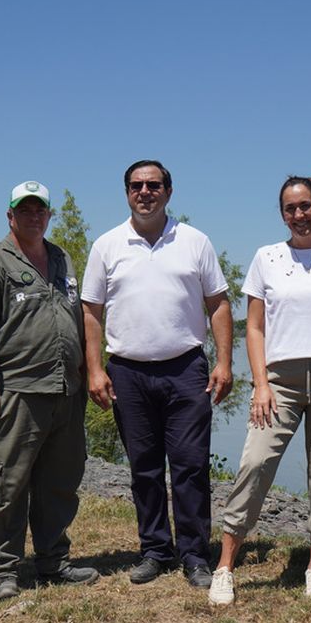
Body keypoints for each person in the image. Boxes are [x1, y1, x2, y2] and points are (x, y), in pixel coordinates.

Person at [209, 176, 311, 605]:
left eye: (306, 206)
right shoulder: (266, 258)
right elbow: (255, 327)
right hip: (278, 381)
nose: (299, 215)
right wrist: (259, 383)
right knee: (255, 462)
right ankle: (225, 566)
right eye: (290, 208)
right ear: (282, 214)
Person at [82, 160, 234, 589]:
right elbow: (91, 311)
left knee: (190, 466)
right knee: (143, 468)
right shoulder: (107, 245)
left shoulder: (194, 241)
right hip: (127, 371)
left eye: (153, 185)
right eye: (136, 185)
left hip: (186, 369)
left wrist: (224, 362)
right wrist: (94, 368)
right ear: (126, 192)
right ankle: (154, 550)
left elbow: (218, 303)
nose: (144, 192)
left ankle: (194, 554)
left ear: (169, 191)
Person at [0, 181, 100, 601]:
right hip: (17, 391)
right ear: (10, 216)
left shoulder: (62, 258)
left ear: (49, 215)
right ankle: (3, 568)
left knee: (61, 479)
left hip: (65, 391)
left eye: (40, 210)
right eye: (25, 210)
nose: (34, 216)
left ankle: (53, 559)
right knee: (10, 484)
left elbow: (78, 320)